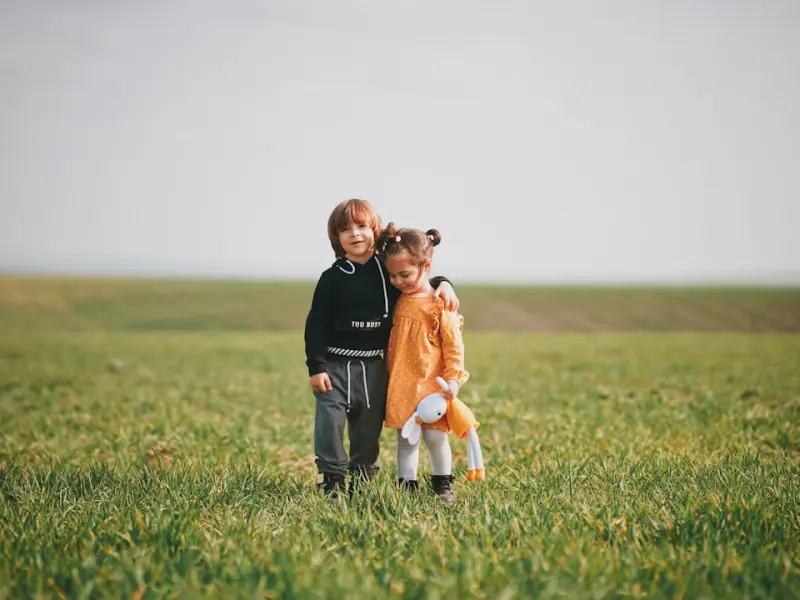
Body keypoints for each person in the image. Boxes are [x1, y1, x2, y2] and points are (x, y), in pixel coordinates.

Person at [304, 199, 460, 497]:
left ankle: (362, 481)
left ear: (374, 230)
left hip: (376, 367)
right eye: (345, 229)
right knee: (330, 425)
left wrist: (445, 282)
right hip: (336, 366)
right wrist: (317, 366)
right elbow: (316, 325)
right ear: (336, 237)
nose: (355, 234)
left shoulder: (387, 270)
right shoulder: (332, 278)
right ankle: (332, 481)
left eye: (362, 226)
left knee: (367, 430)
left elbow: (416, 281)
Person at [378, 223, 473, 504]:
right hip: (402, 384)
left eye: (404, 274)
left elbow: (454, 346)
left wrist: (454, 379)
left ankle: (443, 484)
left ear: (425, 266)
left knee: (435, 438)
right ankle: (407, 486)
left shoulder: (439, 304)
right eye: (392, 275)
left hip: (432, 387)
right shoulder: (397, 300)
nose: (397, 281)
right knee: (406, 440)